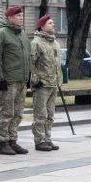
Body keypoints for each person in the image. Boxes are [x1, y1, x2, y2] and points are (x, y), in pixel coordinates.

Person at [0, 5, 31, 155]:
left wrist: (28, 76)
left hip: (21, 79)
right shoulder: (2, 34)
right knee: (6, 112)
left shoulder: (22, 34)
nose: (20, 18)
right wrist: (0, 78)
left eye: (21, 15)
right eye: (17, 16)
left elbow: (27, 57)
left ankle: (13, 140)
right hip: (8, 80)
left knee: (18, 112)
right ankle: (3, 141)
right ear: (9, 18)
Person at [31, 15, 63, 151]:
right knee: (40, 114)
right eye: (50, 23)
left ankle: (47, 138)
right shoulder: (36, 42)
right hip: (42, 84)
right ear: (42, 26)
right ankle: (39, 140)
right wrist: (35, 79)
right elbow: (31, 63)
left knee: (50, 114)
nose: (53, 25)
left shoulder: (55, 43)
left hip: (53, 83)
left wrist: (59, 79)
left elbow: (58, 64)